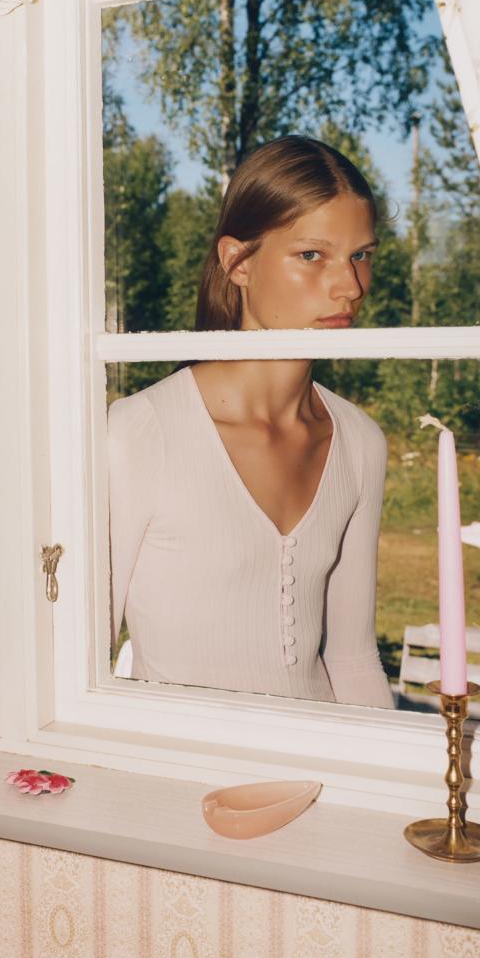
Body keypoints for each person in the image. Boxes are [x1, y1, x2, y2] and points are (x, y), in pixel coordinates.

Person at [108, 136, 395, 708]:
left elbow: (354, 660)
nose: (350, 287)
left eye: (360, 255)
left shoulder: (359, 441)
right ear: (237, 262)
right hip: (185, 776)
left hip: (321, 768)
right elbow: (80, 659)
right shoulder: (141, 432)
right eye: (312, 255)